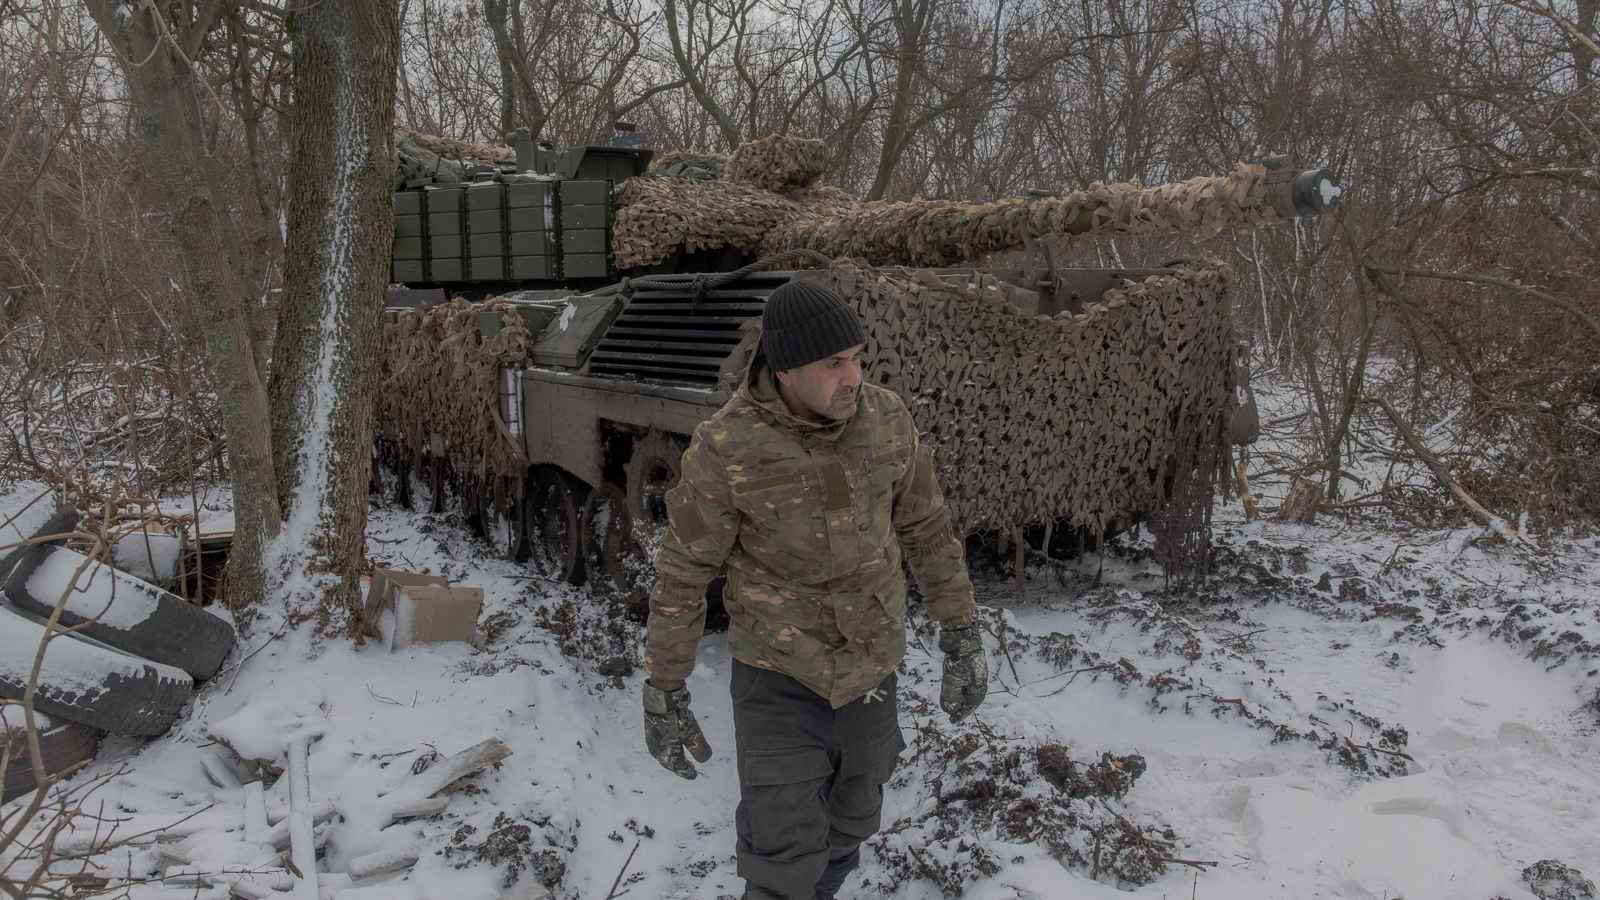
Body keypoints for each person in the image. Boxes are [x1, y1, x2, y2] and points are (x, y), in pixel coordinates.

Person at [640, 278, 988, 900]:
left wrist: (961, 633)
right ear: (785, 370)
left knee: (851, 826)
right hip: (778, 677)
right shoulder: (726, 447)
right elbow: (683, 573)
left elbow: (928, 530)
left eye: (857, 358)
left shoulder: (886, 420)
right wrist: (665, 688)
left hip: (870, 670)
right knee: (780, 861)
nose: (852, 377)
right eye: (833, 364)